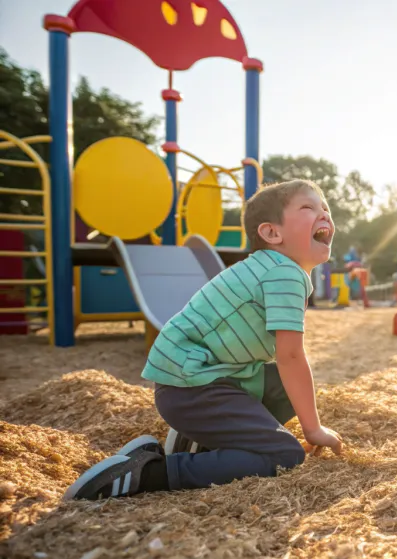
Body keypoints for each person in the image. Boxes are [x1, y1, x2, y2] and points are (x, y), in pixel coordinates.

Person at [63, 180, 344, 501]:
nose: (324, 214)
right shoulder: (284, 273)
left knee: (285, 386)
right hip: (193, 389)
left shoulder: (272, 269)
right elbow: (290, 356)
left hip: (195, 383)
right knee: (284, 454)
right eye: (309, 208)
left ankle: (199, 443)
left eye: (325, 208)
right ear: (272, 234)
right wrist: (313, 429)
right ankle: (144, 473)